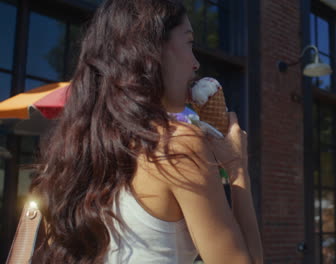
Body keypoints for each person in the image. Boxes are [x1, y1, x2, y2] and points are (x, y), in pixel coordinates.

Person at [30, 0, 263, 263]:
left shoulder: (70, 152)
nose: (196, 63)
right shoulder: (178, 144)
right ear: (151, 52)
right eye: (189, 43)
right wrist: (237, 166)